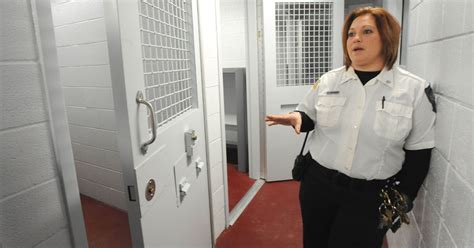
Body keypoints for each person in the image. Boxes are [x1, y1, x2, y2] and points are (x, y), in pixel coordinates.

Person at [265, 7, 436, 248]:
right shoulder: (329, 80)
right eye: (351, 33)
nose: (356, 38)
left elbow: (420, 153)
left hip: (369, 197)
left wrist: (403, 198)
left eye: (367, 31)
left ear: (387, 37)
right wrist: (297, 118)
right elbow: (309, 115)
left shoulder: (415, 90)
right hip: (318, 187)